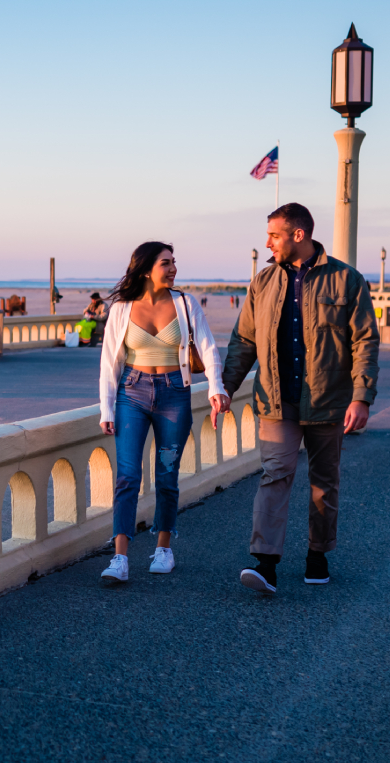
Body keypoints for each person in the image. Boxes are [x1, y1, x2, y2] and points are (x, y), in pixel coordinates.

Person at [219, 203, 380, 594]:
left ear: (298, 235)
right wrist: (225, 387)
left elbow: (365, 341)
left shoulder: (346, 279)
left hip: (329, 401)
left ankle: (317, 554)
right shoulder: (263, 282)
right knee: (275, 475)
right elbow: (244, 340)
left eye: (273, 235)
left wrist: (361, 397)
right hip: (276, 401)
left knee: (324, 483)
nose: (267, 242)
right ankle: (266, 563)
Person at [97, 242, 225, 583]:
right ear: (145, 270)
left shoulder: (185, 304)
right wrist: (106, 407)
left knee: (167, 475)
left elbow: (209, 348)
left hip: (174, 394)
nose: (173, 269)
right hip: (131, 393)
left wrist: (217, 388)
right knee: (127, 476)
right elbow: (110, 361)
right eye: (165, 263)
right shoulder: (123, 308)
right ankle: (120, 558)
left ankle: (164, 548)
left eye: (173, 262)